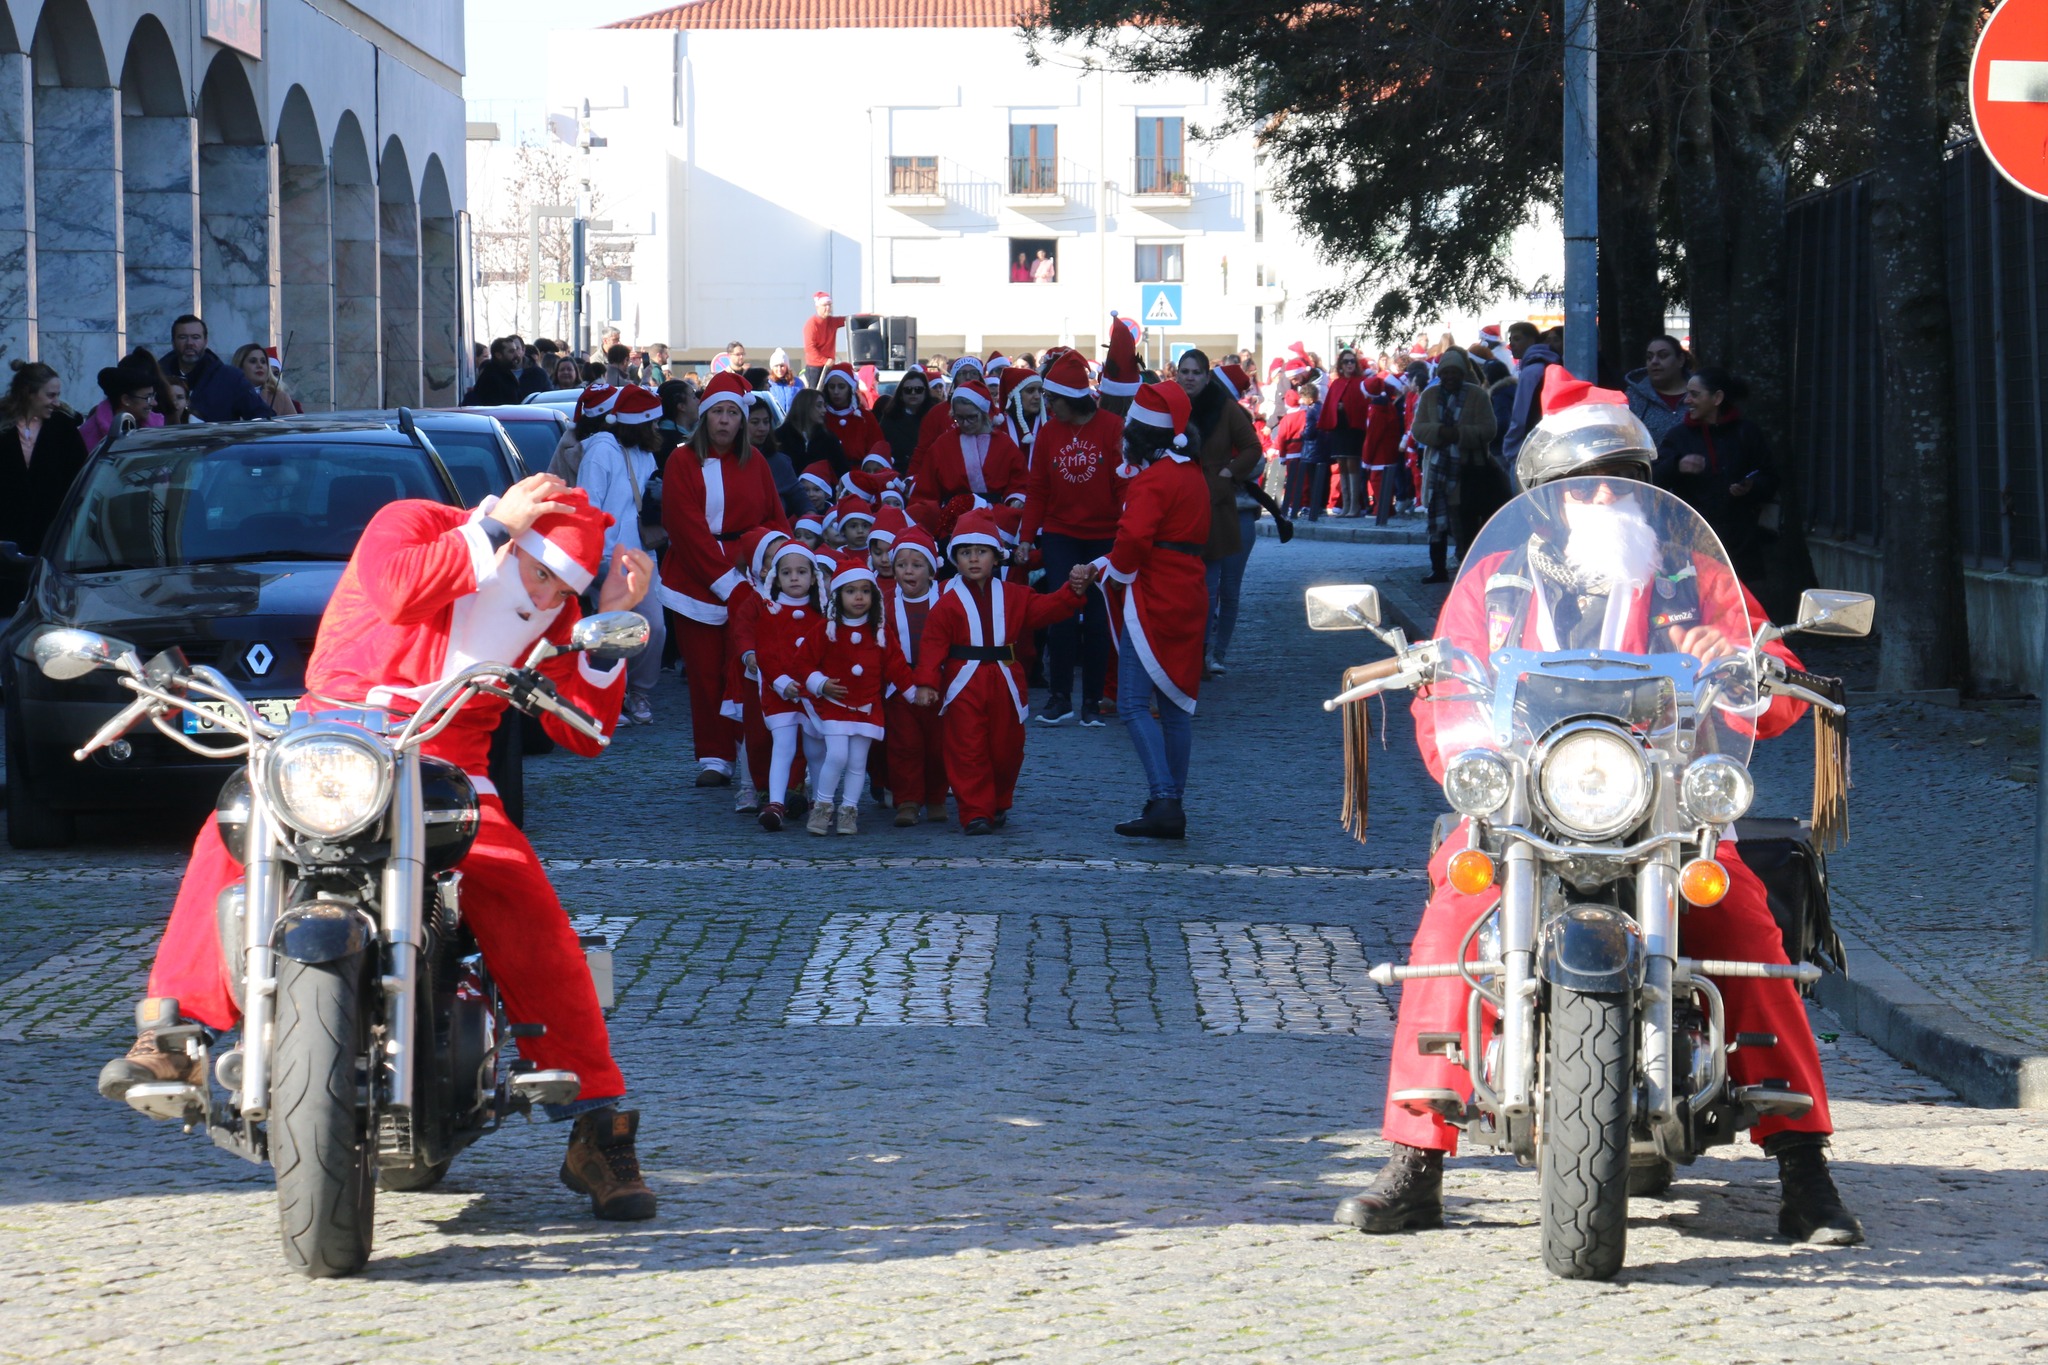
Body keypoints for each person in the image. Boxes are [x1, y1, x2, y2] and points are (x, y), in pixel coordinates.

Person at [1334, 373, 1861, 1248]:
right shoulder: (1497, 582)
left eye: (1622, 476)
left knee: (1745, 932)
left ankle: (1806, 1169)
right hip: (1526, 812)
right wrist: (1464, 747)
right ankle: (1413, 1161)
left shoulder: (1696, 577)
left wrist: (1739, 661)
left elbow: (1774, 696)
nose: (1606, 495)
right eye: (1585, 483)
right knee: (1448, 927)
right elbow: (1449, 685)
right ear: (1543, 501)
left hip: (1665, 812)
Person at [102, 474, 662, 1221]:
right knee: (232, 831)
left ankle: (597, 1118)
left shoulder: (557, 614)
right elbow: (398, 591)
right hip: (328, 736)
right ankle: (173, 1029)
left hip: (448, 761)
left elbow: (580, 730)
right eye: (541, 573)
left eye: (567, 587)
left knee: (521, 896)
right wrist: (492, 531)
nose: (550, 596)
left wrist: (611, 626)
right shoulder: (415, 523)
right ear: (516, 536)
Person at [908, 510, 1093, 833]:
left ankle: (998, 801)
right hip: (963, 681)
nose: (974, 560)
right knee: (967, 748)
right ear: (956, 559)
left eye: (981, 552)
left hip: (1006, 680)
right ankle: (975, 811)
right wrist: (926, 682)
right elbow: (933, 645)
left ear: (996, 557)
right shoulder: (947, 603)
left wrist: (1073, 592)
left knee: (1006, 748)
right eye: (966, 553)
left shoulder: (1014, 596)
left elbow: (1047, 608)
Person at [657, 371, 793, 786]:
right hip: (696, 580)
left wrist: (775, 560)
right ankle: (714, 757)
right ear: (704, 416)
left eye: (733, 413)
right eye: (718, 412)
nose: (725, 421)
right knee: (705, 672)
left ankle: (749, 750)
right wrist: (724, 580)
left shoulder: (756, 465)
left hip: (749, 573)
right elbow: (685, 527)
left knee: (748, 668)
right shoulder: (681, 461)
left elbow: (775, 519)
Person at [1093, 382, 1211, 838]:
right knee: (1177, 705)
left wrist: (1112, 574)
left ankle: (1164, 798)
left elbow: (1135, 540)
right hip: (1189, 589)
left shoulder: (1152, 479)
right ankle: (1170, 801)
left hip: (1153, 593)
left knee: (1132, 704)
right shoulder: (1191, 472)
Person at [1017, 350, 1127, 726]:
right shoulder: (1048, 433)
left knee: (1098, 620)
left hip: (1104, 536)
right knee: (1060, 614)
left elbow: (1122, 486)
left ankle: (1093, 700)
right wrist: (1026, 538)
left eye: (1052, 399)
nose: (1047, 406)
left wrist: (1124, 535)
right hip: (1062, 533)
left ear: (1072, 398)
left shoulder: (1112, 428)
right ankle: (1060, 697)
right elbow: (1037, 490)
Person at [794, 550, 910, 835]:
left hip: (868, 707)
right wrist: (820, 683)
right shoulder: (826, 629)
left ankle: (849, 810)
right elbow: (802, 662)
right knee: (836, 755)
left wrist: (913, 692)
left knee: (858, 761)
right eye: (851, 591)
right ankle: (822, 807)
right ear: (838, 596)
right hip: (835, 704)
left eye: (864, 591)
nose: (858, 597)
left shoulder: (880, 631)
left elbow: (897, 665)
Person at [575, 384, 668, 726]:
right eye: (654, 423)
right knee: (613, 631)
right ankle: (609, 700)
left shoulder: (645, 452)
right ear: (639, 423)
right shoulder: (600, 452)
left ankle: (638, 692)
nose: (658, 430)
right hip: (608, 558)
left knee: (654, 629)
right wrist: (598, 555)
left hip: (643, 557)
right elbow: (589, 506)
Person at [1651, 367, 1779, 590]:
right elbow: (1654, 478)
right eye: (1687, 394)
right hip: (1692, 541)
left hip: (1741, 543)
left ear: (1717, 398)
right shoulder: (1678, 437)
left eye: (1695, 394)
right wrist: (1677, 465)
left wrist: (1751, 486)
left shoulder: (1746, 433)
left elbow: (1769, 476)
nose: (1687, 400)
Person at [1176, 353, 1262, 677]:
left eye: (1196, 372)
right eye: (1184, 372)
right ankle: (1189, 653)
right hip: (1179, 503)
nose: (1189, 378)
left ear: (1207, 377)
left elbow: (1253, 449)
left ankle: (1211, 654)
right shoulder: (1171, 405)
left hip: (1217, 505)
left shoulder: (1227, 410)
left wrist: (1228, 472)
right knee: (1189, 589)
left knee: (1219, 588)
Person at [751, 538, 826, 830]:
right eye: (787, 573)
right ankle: (777, 801)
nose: (794, 577)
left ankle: (822, 800)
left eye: (801, 572)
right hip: (779, 695)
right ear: (777, 578)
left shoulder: (822, 614)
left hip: (813, 695)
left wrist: (815, 682)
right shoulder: (770, 613)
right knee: (782, 746)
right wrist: (782, 683)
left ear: (813, 577)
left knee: (816, 750)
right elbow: (767, 653)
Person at [0, 360, 88, 609]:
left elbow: (79, 476)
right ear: (29, 392)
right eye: (50, 395)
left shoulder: (63, 426)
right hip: (7, 532)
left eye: (58, 395)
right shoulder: (3, 425)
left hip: (52, 531)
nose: (56, 402)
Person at [1410, 346, 1498, 583]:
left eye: (1454, 372)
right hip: (1438, 468)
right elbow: (1417, 429)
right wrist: (1440, 432)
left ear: (1462, 373)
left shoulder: (1477, 395)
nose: (1450, 377)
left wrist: (1458, 434)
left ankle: (1469, 568)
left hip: (1468, 468)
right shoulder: (1429, 396)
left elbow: (1489, 430)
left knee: (1467, 519)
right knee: (1436, 521)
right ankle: (1437, 568)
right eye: (1445, 372)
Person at [881, 528, 947, 826]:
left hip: (940, 683)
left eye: (917, 565)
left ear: (931, 570)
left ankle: (936, 796)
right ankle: (907, 799)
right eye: (902, 564)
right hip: (898, 684)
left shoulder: (947, 598)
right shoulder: (883, 602)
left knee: (939, 744)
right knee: (903, 744)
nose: (908, 571)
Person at [911, 380, 1025, 508]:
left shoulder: (1005, 445)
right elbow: (926, 490)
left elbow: (1020, 482)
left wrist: (1016, 500)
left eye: (971, 417)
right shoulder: (942, 445)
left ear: (984, 414)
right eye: (959, 418)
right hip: (952, 517)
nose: (965, 423)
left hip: (996, 517)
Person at [166, 314, 273, 422]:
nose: (189, 343)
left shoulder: (231, 378)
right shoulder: (159, 377)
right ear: (173, 342)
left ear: (205, 341)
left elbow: (261, 417)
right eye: (183, 337)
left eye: (195, 337)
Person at [1317, 350, 1372, 516]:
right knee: (1342, 465)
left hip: (1354, 429)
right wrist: (1336, 408)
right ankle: (1346, 504)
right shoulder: (1336, 383)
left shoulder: (1361, 382)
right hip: (1339, 429)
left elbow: (1363, 406)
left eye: (1352, 361)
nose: (1349, 364)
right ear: (1341, 365)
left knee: (1352, 464)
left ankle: (1355, 505)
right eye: (1346, 362)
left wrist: (1346, 407)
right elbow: (1329, 404)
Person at [80, 351, 168, 450]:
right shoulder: (91, 434)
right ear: (126, 400)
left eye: (153, 396)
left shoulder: (156, 429)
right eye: (148, 397)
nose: (154, 403)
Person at [1500, 322, 1559, 470]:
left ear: (1532, 340)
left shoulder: (1531, 371)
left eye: (1517, 339)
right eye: (1511, 340)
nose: (1512, 344)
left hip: (1528, 450)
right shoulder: (1549, 364)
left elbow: (1520, 416)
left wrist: (1510, 449)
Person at [1625, 334, 1693, 447]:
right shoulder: (1633, 398)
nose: (1654, 362)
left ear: (1680, 360)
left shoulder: (1700, 394)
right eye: (1649, 357)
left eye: (1663, 355)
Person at [873, 367, 935, 473]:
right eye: (908, 390)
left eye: (918, 390)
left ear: (925, 393)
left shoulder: (934, 417)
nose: (913, 393)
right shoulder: (890, 418)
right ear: (901, 394)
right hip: (897, 473)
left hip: (928, 472)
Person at [233, 344, 300, 415]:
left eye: (263, 362)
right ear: (240, 366)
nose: (260, 365)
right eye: (253, 361)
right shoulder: (228, 395)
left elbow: (293, 425)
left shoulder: (281, 397)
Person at [465, 337, 530, 405]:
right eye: (511, 351)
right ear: (498, 355)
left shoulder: (504, 374)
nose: (516, 355)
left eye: (516, 350)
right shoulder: (492, 378)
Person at [803, 292, 844, 387]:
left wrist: (870, 315)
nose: (828, 308)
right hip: (815, 368)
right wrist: (824, 360)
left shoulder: (832, 321)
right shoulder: (811, 325)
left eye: (829, 305)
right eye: (825, 305)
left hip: (829, 366)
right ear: (817, 307)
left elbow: (849, 319)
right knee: (816, 395)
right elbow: (810, 348)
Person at [767, 349, 805, 413]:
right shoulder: (768, 384)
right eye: (776, 366)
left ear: (787, 367)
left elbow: (804, 403)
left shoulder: (798, 383)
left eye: (782, 366)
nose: (779, 369)